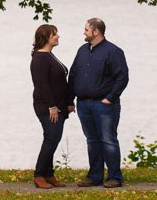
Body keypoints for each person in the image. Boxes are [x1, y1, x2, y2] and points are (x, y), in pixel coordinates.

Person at [68, 18, 129, 188]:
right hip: (83, 104)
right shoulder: (82, 50)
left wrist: (110, 98)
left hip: (104, 105)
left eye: (86, 30)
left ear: (96, 32)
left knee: (108, 140)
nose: (84, 32)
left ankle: (115, 177)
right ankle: (95, 176)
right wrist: (70, 99)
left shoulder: (113, 51)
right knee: (92, 140)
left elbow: (122, 77)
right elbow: (73, 75)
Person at [30, 24, 73, 189]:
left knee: (53, 139)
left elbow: (59, 82)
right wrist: (52, 106)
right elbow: (41, 85)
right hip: (47, 107)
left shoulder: (49, 55)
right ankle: (39, 175)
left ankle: (49, 174)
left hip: (58, 106)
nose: (58, 36)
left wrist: (68, 102)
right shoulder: (40, 58)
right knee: (51, 139)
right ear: (46, 37)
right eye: (54, 34)